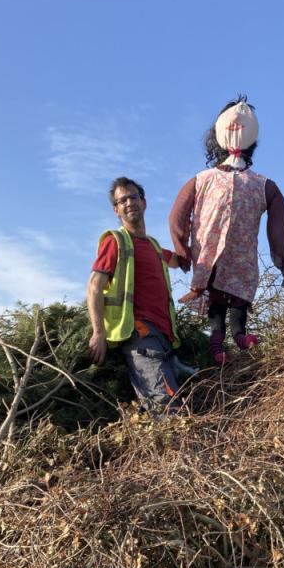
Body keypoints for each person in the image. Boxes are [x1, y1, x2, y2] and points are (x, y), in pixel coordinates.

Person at [169, 96, 284, 364]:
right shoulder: (262, 185)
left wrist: (183, 249)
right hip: (235, 258)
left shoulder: (203, 180)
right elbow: (278, 224)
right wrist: (283, 258)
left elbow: (177, 216)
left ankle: (225, 339)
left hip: (214, 256)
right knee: (234, 295)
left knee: (222, 296)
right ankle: (233, 337)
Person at [87, 176, 191, 411]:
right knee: (167, 408)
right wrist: (98, 333)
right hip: (141, 333)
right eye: (122, 200)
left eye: (133, 197)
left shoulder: (154, 246)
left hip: (163, 338)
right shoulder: (116, 242)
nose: (129, 203)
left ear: (144, 202)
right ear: (116, 210)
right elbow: (94, 286)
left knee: (167, 405)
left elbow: (180, 261)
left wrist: (195, 235)